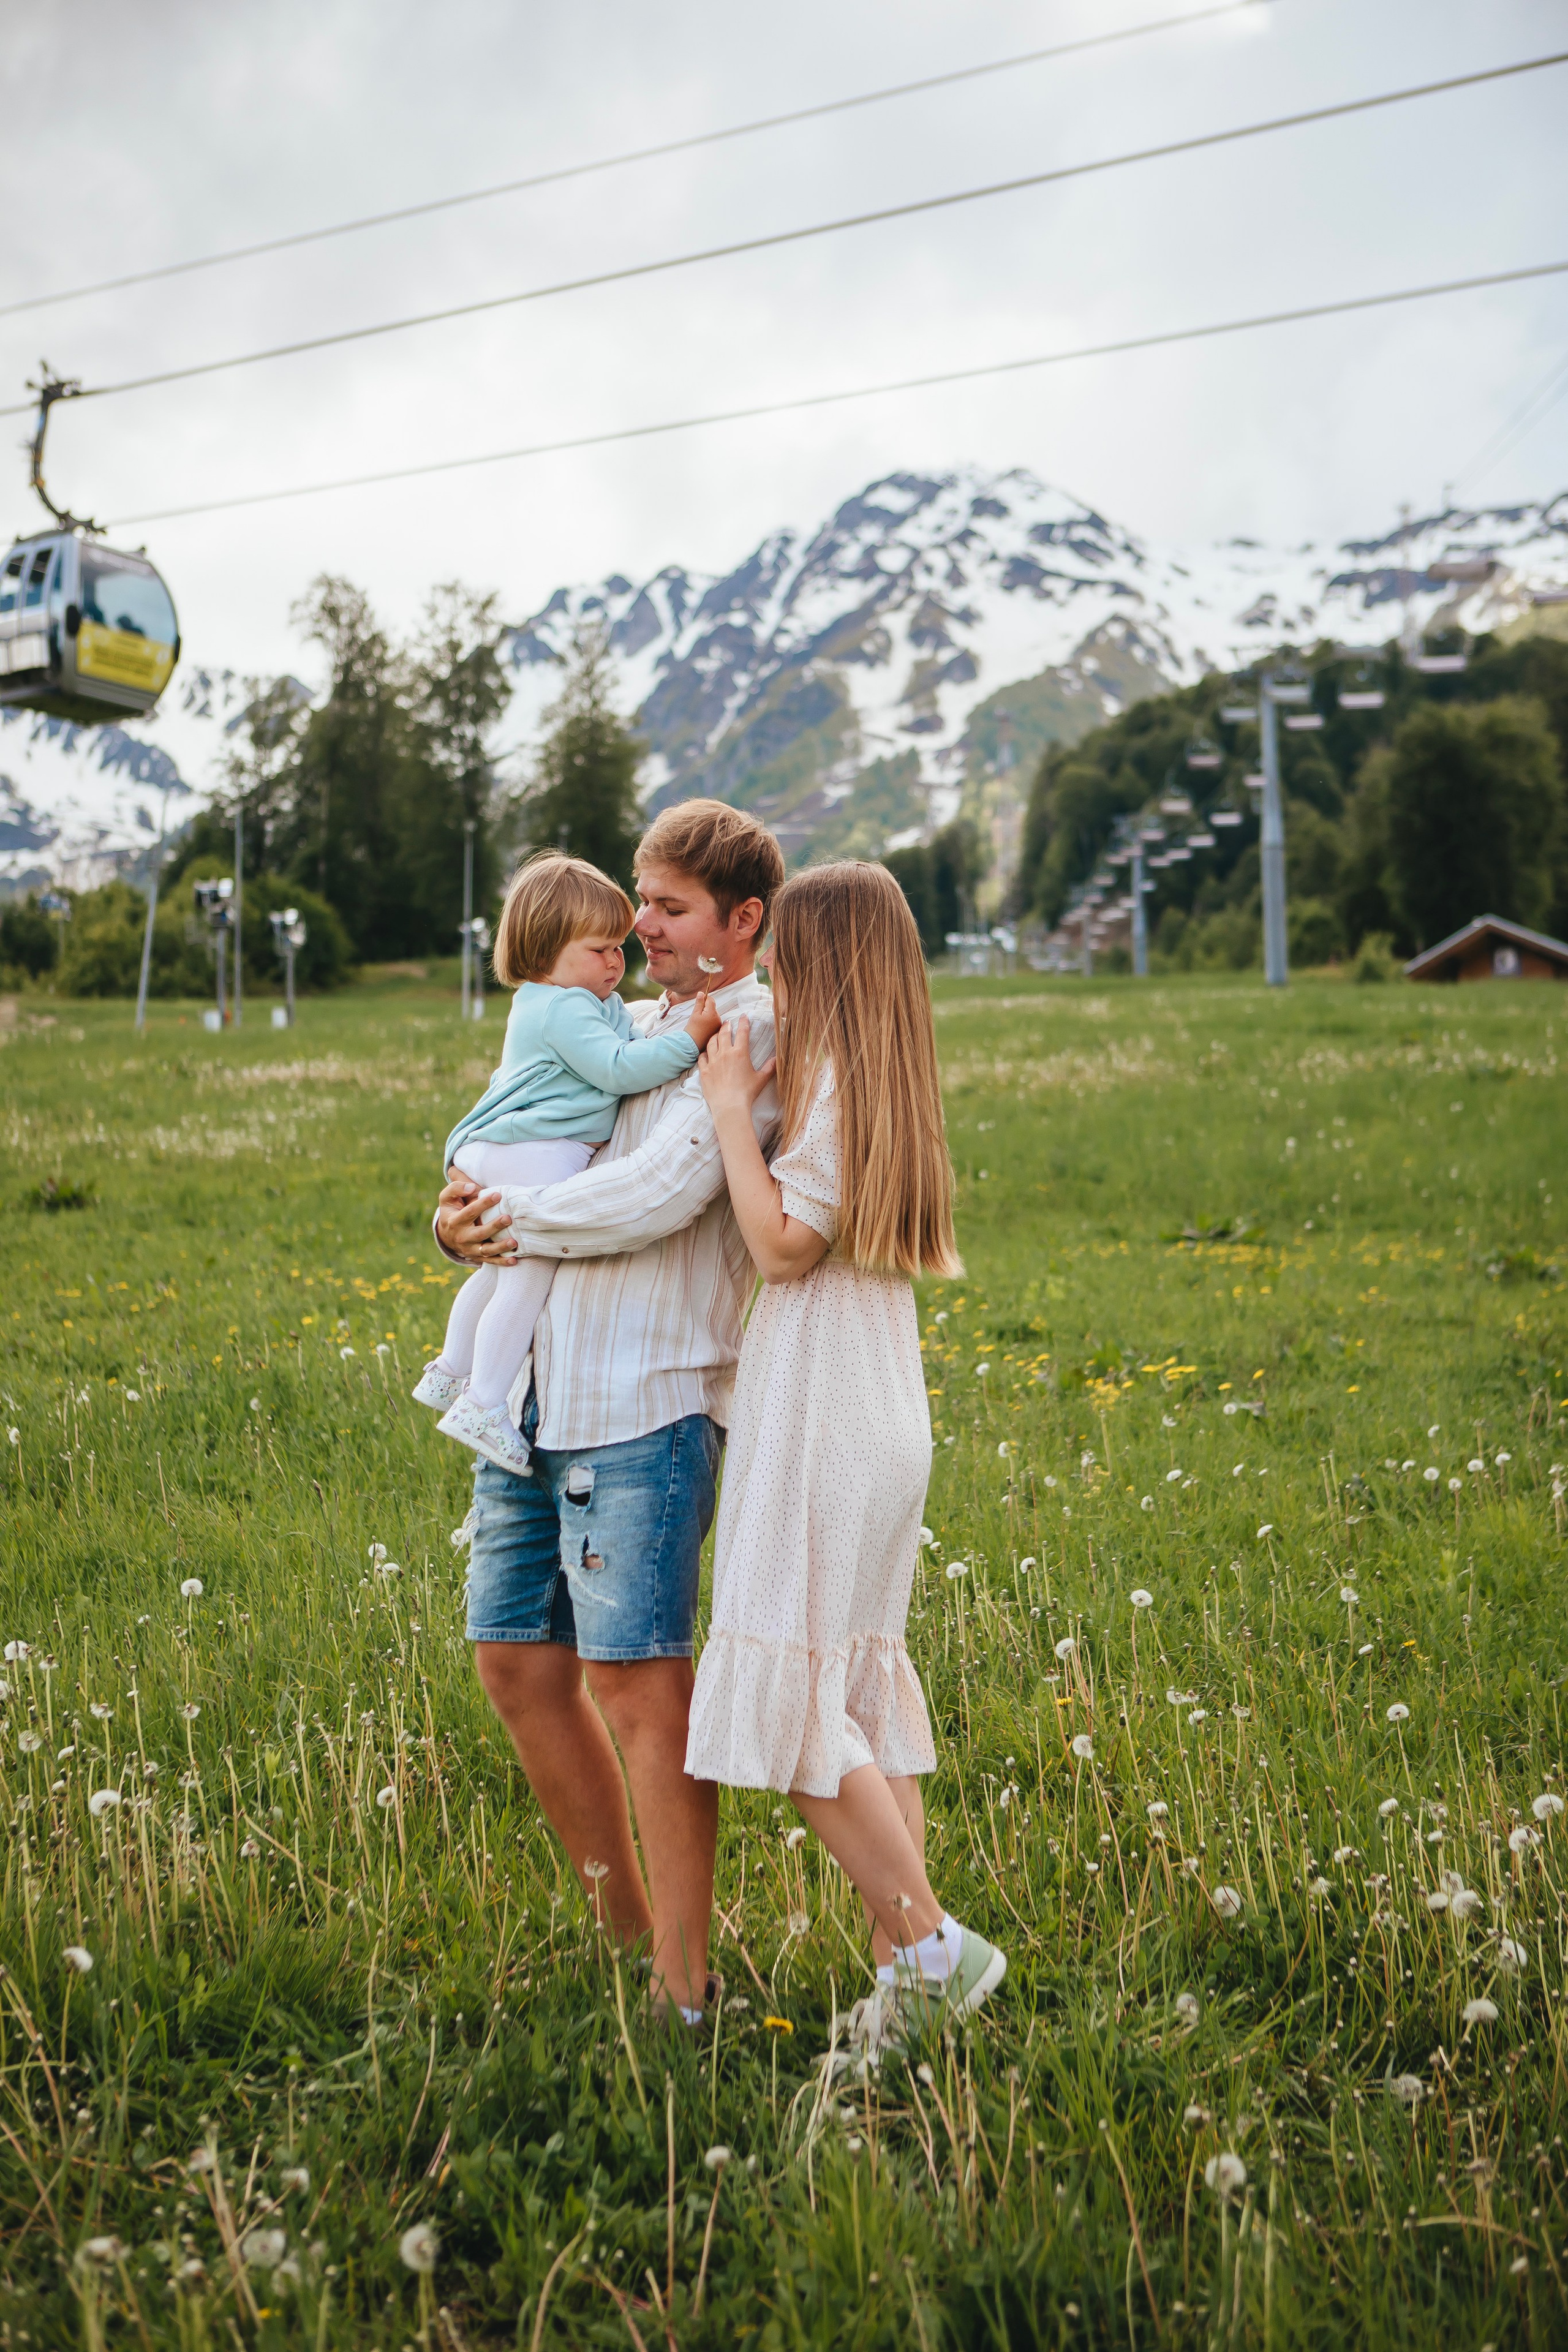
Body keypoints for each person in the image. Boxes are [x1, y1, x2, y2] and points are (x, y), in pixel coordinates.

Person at [432, 801, 783, 2026]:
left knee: (639, 1684)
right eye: (638, 898)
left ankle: (685, 1988)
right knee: (518, 1665)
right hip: (532, 1398)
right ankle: (620, 1935)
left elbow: (655, 1194)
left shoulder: (752, 1034)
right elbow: (526, 1124)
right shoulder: (624, 1018)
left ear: (742, 923)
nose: (637, 924)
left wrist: (497, 1222)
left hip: (642, 1405)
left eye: (668, 906)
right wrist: (453, 1214)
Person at [685, 860, 1006, 2027]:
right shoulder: (889, 1089)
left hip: (821, 1408)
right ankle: (907, 1989)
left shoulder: (829, 1102)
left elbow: (779, 1248)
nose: (772, 972)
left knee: (789, 1698)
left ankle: (933, 1951)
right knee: (860, 1696)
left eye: (787, 956)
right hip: (882, 1409)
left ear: (824, 963)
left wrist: (729, 1109)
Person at [413, 853, 719, 1477]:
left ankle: (450, 1369)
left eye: (617, 948)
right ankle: (484, 1403)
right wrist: (689, 1041)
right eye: (599, 949)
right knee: (527, 1269)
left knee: (499, 1271)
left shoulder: (576, 1000)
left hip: (516, 1144)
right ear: (544, 951)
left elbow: (623, 1042)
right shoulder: (563, 1007)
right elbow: (618, 1068)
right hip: (536, 1150)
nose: (617, 961)